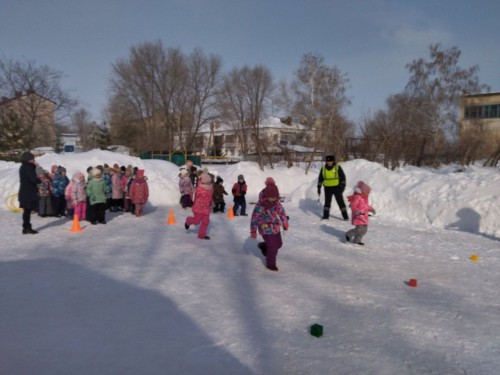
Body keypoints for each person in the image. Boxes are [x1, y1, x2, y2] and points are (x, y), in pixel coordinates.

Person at [250, 177, 289, 271]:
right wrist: (253, 231)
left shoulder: (276, 203)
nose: (273, 199)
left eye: (275, 197)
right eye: (271, 197)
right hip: (264, 228)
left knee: (279, 244)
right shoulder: (260, 205)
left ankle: (264, 246)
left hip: (275, 226)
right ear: (266, 196)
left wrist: (285, 223)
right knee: (273, 246)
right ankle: (270, 263)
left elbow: (282, 213)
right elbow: (254, 218)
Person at [317, 155, 348, 220]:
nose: (329, 162)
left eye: (330, 161)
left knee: (340, 202)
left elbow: (343, 177)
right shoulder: (323, 169)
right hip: (327, 188)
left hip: (337, 187)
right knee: (327, 202)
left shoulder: (337, 167)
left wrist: (343, 186)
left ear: (333, 161)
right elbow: (320, 179)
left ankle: (345, 217)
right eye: (327, 161)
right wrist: (319, 187)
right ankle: (326, 216)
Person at [345, 181, 376, 246]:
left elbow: (366, 206)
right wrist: (356, 211)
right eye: (367, 193)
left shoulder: (365, 198)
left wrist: (371, 209)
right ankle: (348, 234)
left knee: (364, 230)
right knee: (359, 230)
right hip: (358, 216)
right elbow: (353, 205)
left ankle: (357, 241)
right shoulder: (357, 197)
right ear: (362, 192)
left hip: (364, 217)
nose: (368, 194)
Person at [185, 172, 213, 240]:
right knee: (196, 222)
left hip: (206, 209)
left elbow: (210, 197)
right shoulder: (198, 189)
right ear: (203, 182)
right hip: (198, 208)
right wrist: (192, 192)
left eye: (209, 182)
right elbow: (193, 198)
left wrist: (212, 202)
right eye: (207, 182)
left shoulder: (211, 188)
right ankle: (188, 221)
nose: (208, 183)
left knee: (205, 222)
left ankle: (201, 235)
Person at [18, 151, 39, 234]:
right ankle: (27, 228)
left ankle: (26, 227)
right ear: (28, 159)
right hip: (27, 193)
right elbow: (33, 179)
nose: (34, 160)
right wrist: (38, 179)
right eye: (32, 159)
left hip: (26, 192)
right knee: (27, 211)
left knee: (27, 211)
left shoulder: (24, 166)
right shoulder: (28, 167)